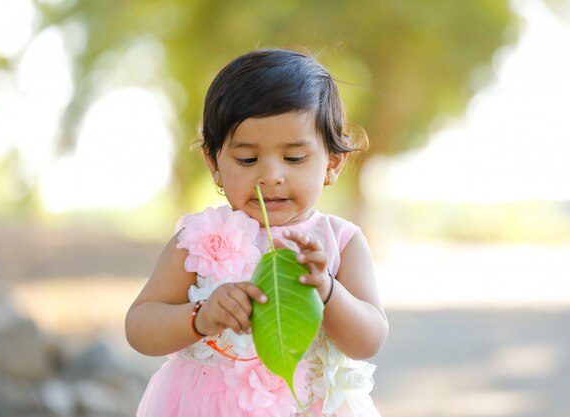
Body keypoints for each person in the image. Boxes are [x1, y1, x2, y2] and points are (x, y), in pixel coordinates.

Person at [125, 48, 388, 417]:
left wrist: (327, 290)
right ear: (214, 164)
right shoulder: (201, 239)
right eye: (247, 160)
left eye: (294, 158)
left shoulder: (339, 241)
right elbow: (139, 326)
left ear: (332, 163)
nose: (270, 176)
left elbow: (368, 340)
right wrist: (199, 316)